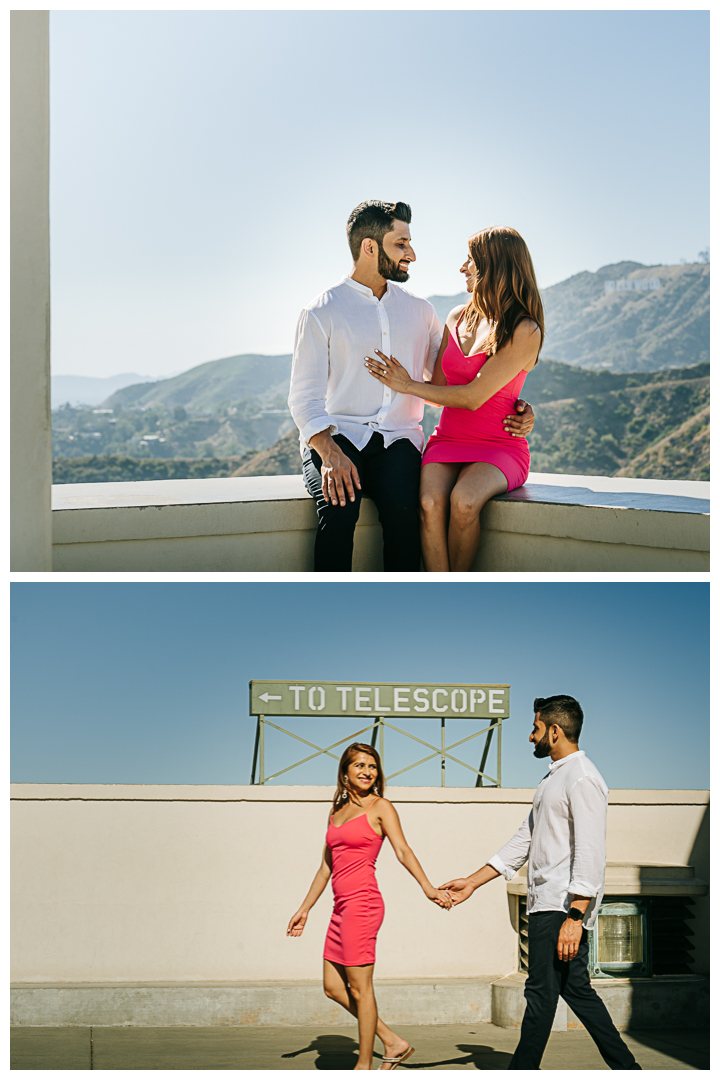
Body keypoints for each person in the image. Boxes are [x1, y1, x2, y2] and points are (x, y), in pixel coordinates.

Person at [288, 202, 535, 572]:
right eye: (401, 244)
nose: (412, 254)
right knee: (338, 508)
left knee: (406, 517)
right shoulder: (322, 311)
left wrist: (517, 404)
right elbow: (303, 399)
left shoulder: (421, 312)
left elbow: (454, 380)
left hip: (397, 441)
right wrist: (329, 453)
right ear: (370, 247)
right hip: (339, 436)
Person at [439, 696, 641, 1070]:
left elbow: (591, 851)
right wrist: (472, 881)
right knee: (575, 992)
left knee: (541, 994)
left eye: (534, 728)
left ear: (554, 730)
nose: (530, 737)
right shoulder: (555, 778)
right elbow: (524, 840)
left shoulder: (582, 778)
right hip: (548, 904)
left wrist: (575, 916)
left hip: (561, 906)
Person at [364, 226, 543, 572]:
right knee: (429, 503)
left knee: (464, 501)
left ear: (496, 266)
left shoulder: (525, 329)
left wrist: (407, 384)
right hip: (448, 439)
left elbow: (474, 397)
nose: (463, 268)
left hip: (498, 446)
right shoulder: (456, 318)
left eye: (472, 261)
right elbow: (439, 392)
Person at [287, 742, 452, 1070]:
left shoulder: (381, 807)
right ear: (345, 773)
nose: (367, 771)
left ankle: (364, 1066)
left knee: (361, 990)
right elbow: (326, 866)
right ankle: (392, 1042)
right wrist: (305, 908)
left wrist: (427, 887)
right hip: (339, 909)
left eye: (372, 766)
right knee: (333, 987)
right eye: (360, 765)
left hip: (363, 905)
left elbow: (403, 850)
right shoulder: (335, 813)